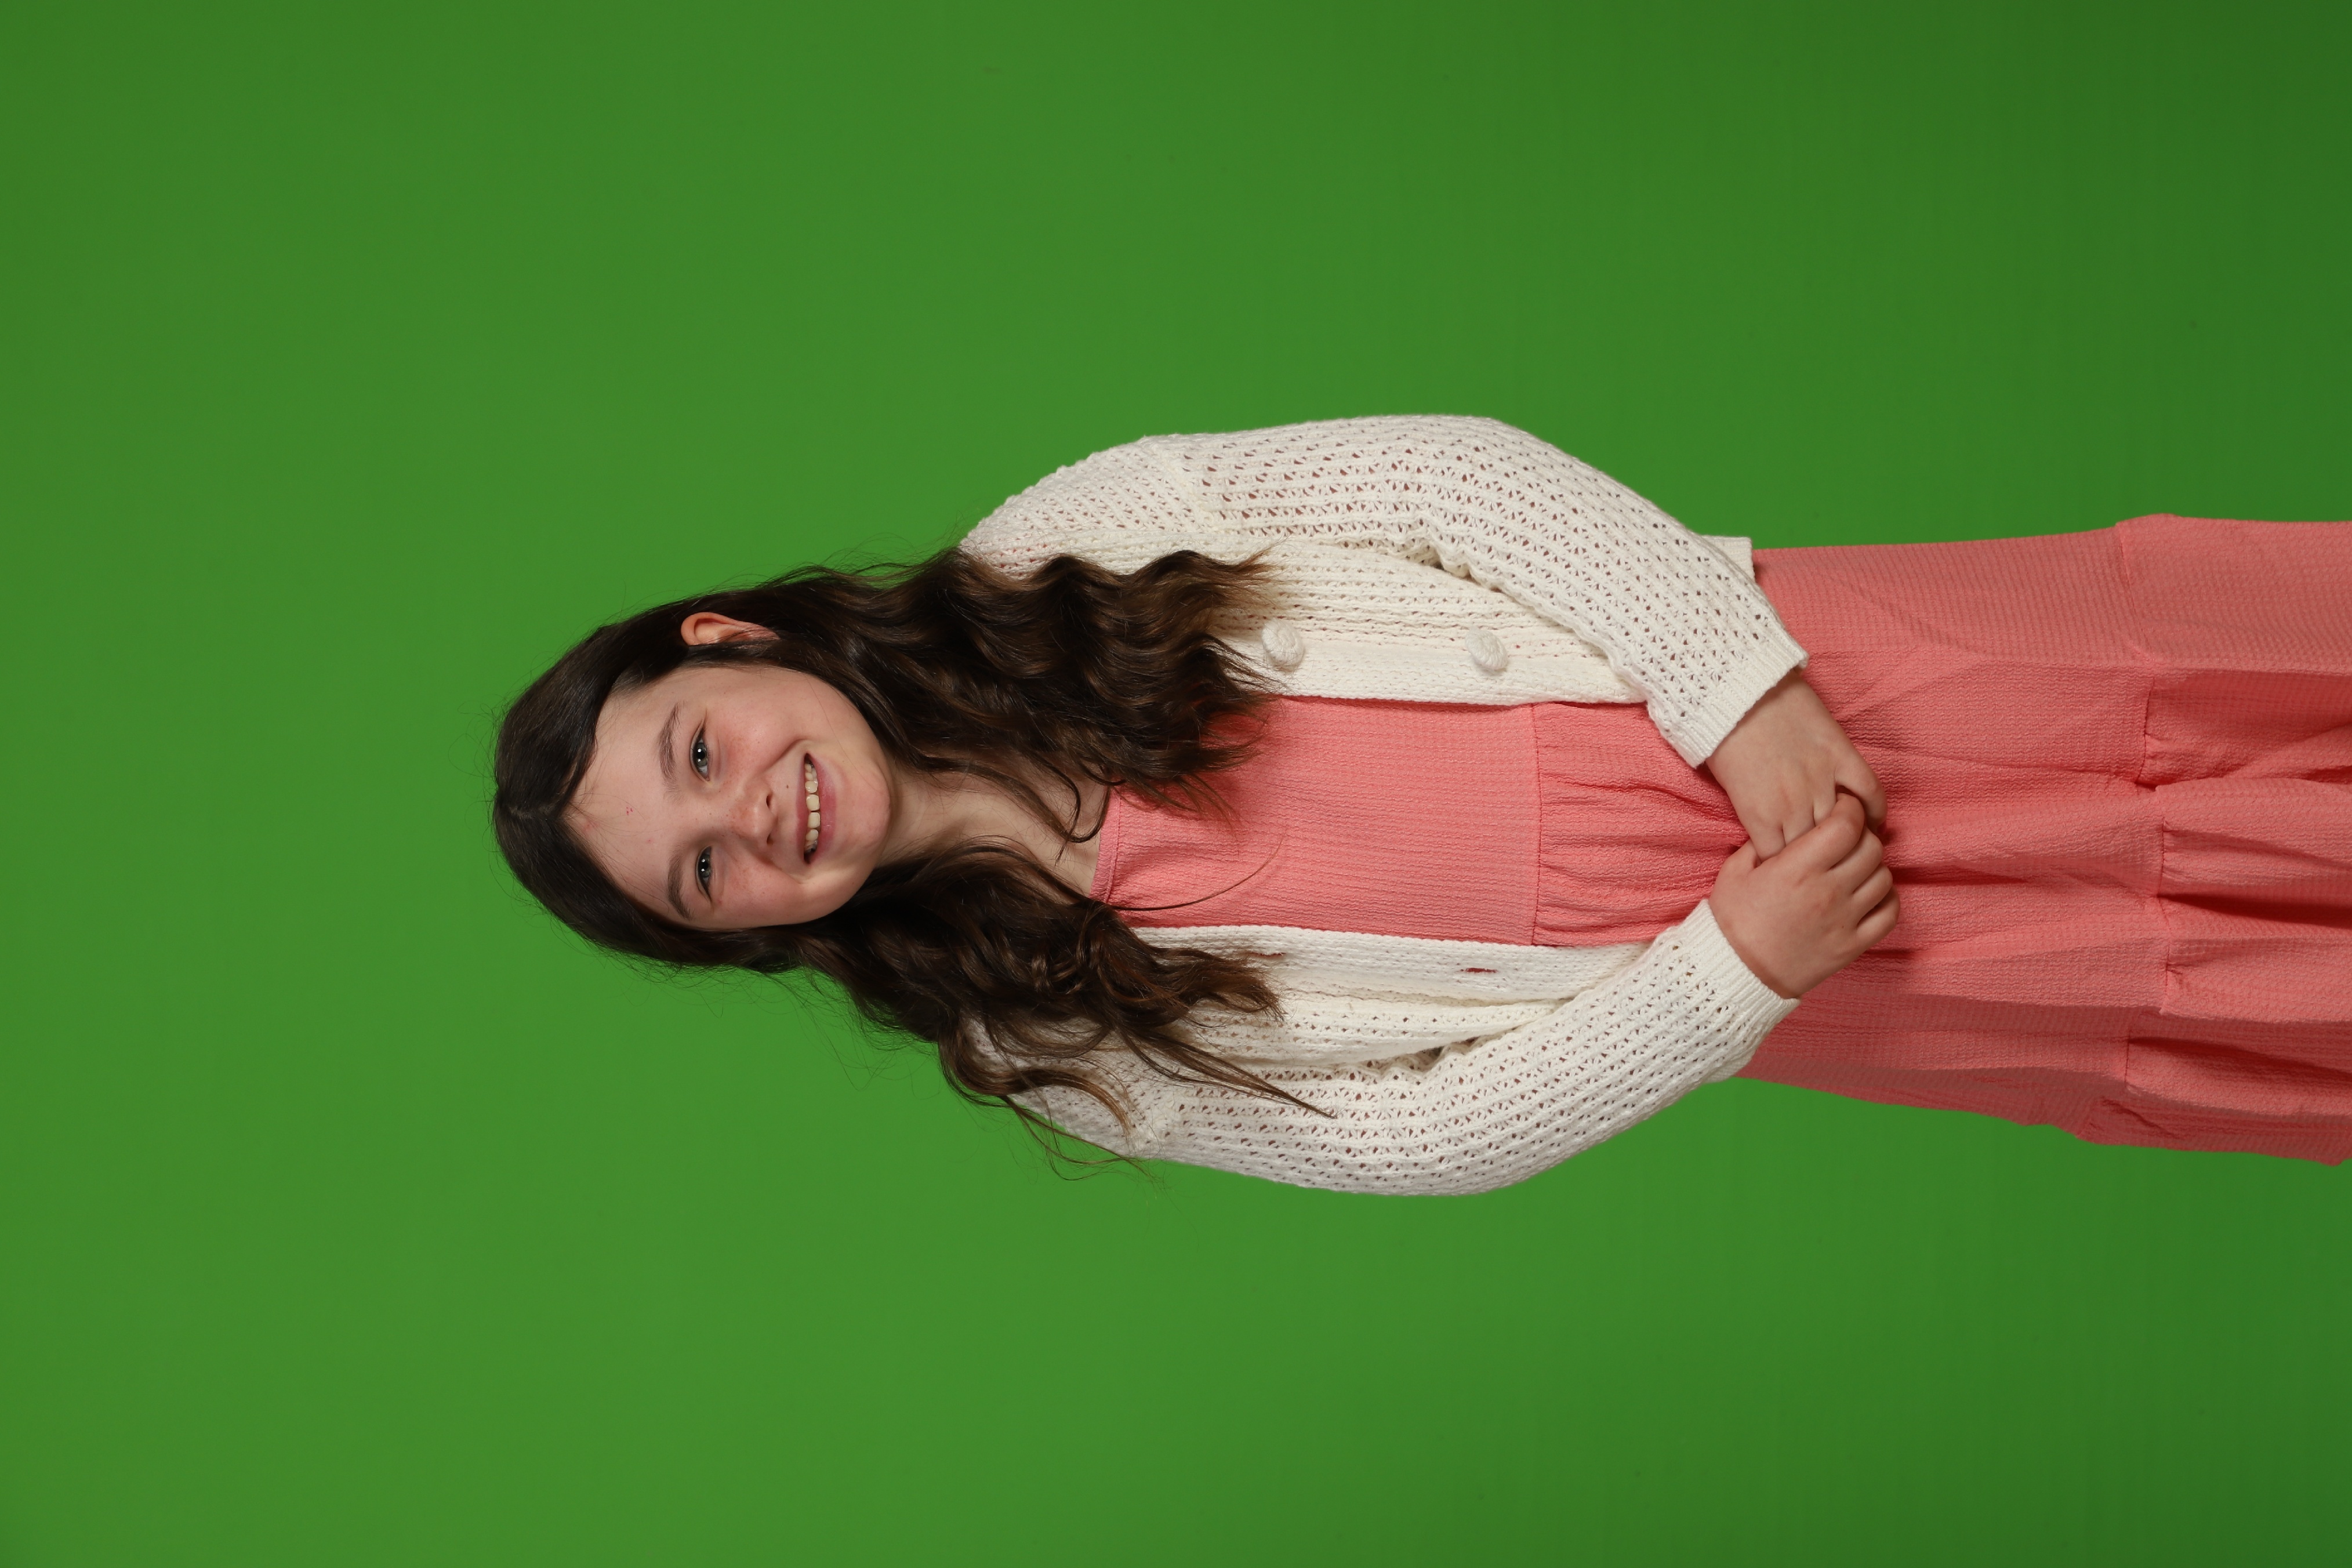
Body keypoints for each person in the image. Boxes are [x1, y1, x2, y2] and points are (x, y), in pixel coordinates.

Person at [492, 416, 2352, 1194]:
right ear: (745, 935)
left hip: (1813, 692)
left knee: (2192, 694)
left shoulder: (1069, 540)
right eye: (704, 875)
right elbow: (1405, 1135)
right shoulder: (1045, 1035)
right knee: (2183, 970)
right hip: (1815, 949)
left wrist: (1741, 692)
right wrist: (1731, 972)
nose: (754, 820)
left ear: (728, 639)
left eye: (700, 754)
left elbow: (1452, 484)